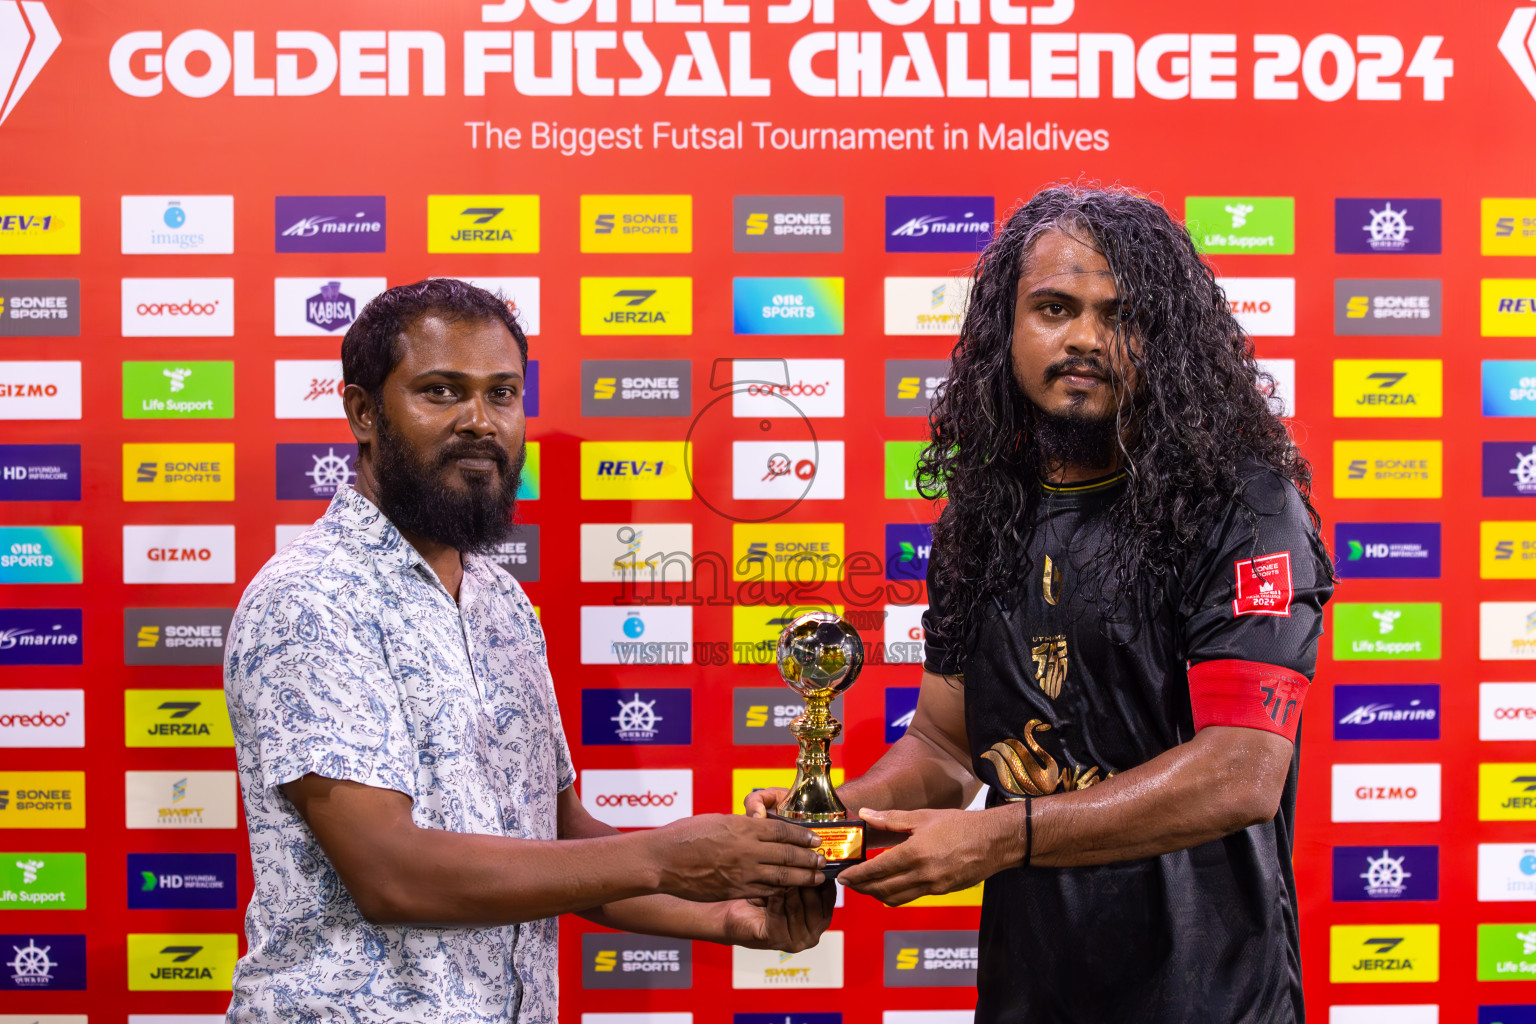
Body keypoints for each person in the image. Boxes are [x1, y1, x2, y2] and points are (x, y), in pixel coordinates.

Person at [749, 185, 1333, 1023]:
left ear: (1164, 338)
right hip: (1033, 995)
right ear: (1007, 329)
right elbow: (946, 748)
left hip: (1211, 999)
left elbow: (1240, 772)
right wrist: (844, 816)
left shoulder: (1241, 507)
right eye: (1055, 308)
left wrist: (1002, 836)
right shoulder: (984, 515)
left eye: (1119, 315)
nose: (1086, 339)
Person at [224, 278, 833, 1024]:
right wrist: (669, 856)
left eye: (502, 393)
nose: (480, 421)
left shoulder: (501, 602)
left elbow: (562, 844)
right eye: (442, 392)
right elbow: (390, 874)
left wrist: (732, 916)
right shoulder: (310, 598)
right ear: (362, 412)